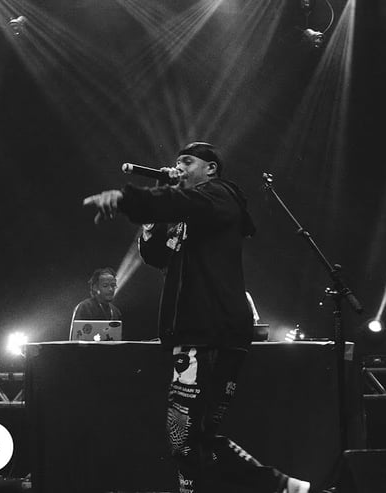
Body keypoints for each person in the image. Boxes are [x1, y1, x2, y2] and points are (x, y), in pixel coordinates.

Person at [83, 142, 311, 493]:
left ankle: (277, 486)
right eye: (177, 162)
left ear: (210, 169)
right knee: (199, 436)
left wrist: (128, 199)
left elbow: (182, 202)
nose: (179, 168)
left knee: (182, 436)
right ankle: (285, 487)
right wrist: (151, 213)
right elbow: (157, 255)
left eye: (187, 162)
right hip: (207, 331)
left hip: (207, 330)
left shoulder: (220, 195)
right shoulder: (189, 211)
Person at [69, 267, 123, 338]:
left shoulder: (116, 311)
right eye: (105, 286)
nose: (111, 289)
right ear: (95, 287)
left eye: (113, 286)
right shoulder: (84, 307)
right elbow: (76, 338)